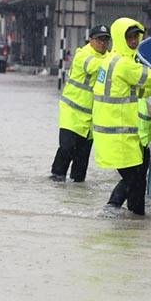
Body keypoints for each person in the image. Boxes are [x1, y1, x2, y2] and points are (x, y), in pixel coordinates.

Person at [93, 18, 151, 215]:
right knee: (134, 176)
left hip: (116, 134)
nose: (134, 41)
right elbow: (149, 76)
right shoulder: (124, 64)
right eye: (129, 37)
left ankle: (135, 215)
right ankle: (113, 208)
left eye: (136, 36)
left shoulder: (111, 61)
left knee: (139, 172)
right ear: (119, 38)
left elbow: (129, 90)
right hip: (118, 135)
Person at [50, 24, 111, 182]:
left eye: (106, 40)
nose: (103, 43)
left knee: (82, 160)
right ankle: (56, 178)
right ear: (90, 40)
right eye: (99, 40)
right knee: (67, 148)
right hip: (72, 112)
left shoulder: (109, 58)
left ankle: (77, 192)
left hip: (91, 118)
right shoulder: (83, 54)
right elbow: (94, 67)